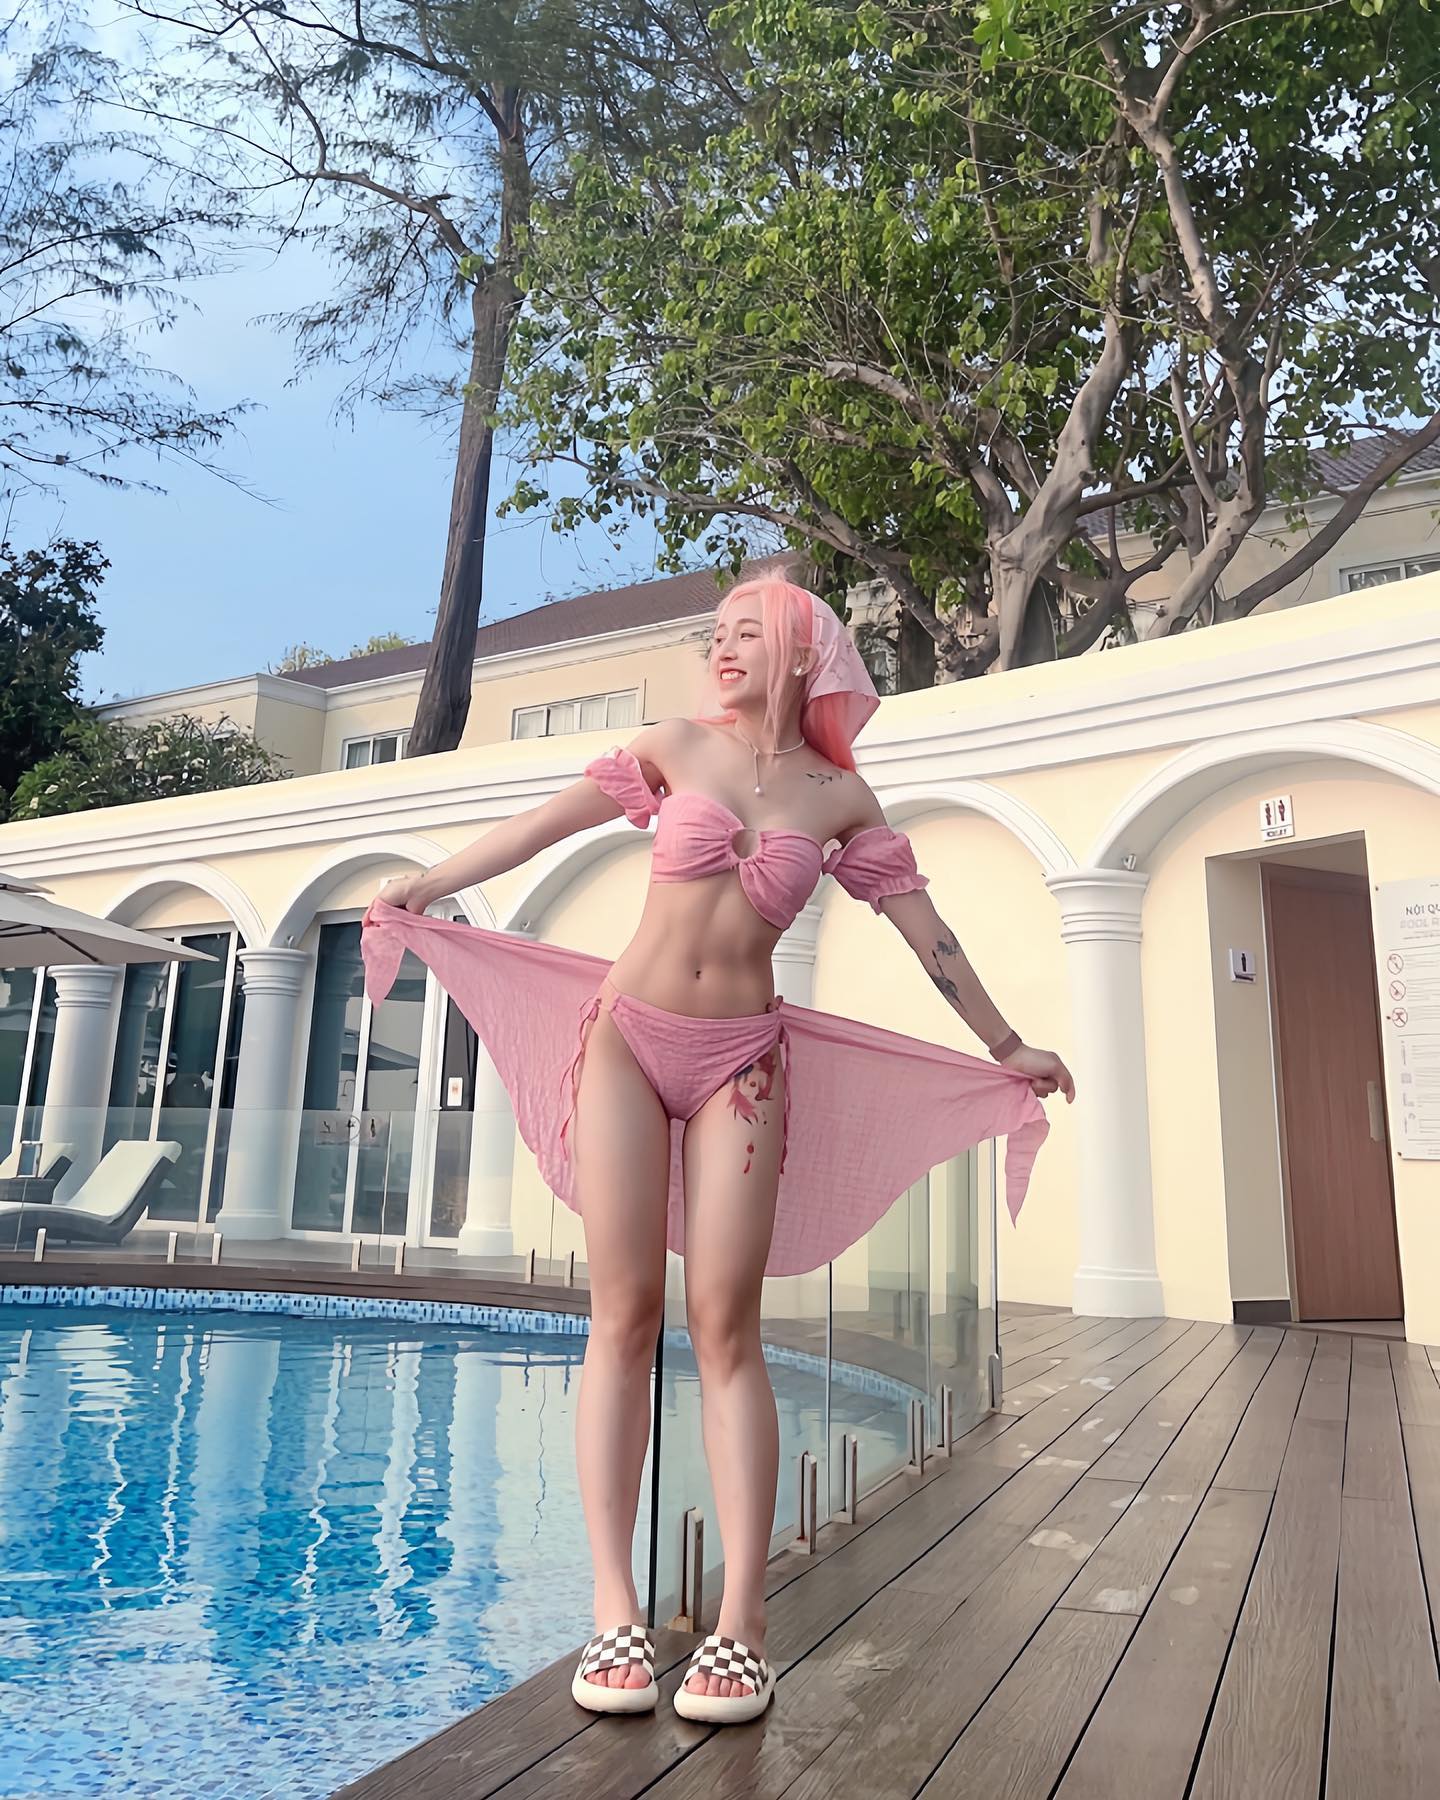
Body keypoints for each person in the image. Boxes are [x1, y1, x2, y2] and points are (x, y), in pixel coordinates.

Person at [363, 576, 1074, 1726]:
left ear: (803, 653)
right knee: (623, 1314)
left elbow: (926, 930)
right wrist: (428, 885)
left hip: (743, 1061)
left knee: (727, 1328)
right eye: (718, 634)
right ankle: (614, 1609)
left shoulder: (839, 795)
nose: (724, 649)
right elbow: (542, 827)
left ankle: (742, 1624)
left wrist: (1006, 1044)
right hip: (627, 1041)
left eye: (749, 634)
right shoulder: (675, 745)